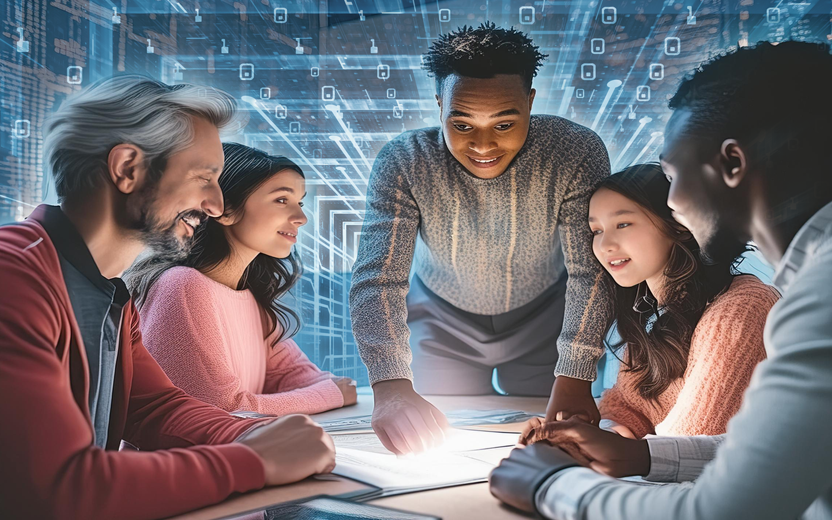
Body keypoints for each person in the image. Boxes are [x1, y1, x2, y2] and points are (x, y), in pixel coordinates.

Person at [489, 40, 832, 520]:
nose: (672, 204)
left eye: (673, 175)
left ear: (732, 164)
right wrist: (634, 453)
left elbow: (722, 510)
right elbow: (778, 457)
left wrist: (549, 484)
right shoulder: (810, 281)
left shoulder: (817, 301)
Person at [0, 76, 336, 520]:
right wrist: (254, 461)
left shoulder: (106, 294)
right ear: (127, 169)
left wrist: (253, 437)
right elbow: (57, 486)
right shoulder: (13, 278)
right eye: (204, 178)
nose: (216, 206)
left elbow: (155, 408)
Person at [349, 22, 613, 455]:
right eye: (463, 124)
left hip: (547, 320)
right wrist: (390, 384)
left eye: (505, 123)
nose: (484, 145)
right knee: (429, 439)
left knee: (554, 441)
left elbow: (590, 271)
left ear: (530, 102)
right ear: (439, 106)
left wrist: (577, 373)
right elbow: (378, 279)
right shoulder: (402, 161)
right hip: (440, 323)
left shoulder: (575, 151)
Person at [536, 163, 776, 440]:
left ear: (680, 226)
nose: (604, 245)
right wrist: (572, 436)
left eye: (623, 224)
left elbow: (693, 441)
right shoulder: (649, 310)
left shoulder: (740, 309)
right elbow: (629, 411)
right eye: (596, 231)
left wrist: (597, 447)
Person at [126, 143, 357, 416]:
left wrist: (329, 391)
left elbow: (299, 378)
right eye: (282, 200)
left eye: (300, 202)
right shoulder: (183, 287)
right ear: (226, 210)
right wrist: (330, 394)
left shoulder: (249, 297)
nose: (301, 218)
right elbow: (219, 411)